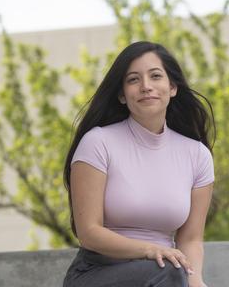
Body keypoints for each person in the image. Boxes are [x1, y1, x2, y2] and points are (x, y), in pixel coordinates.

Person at [62, 41, 215, 287]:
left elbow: (191, 240)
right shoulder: (98, 143)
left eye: (155, 76)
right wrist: (150, 250)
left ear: (172, 87)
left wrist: (196, 283)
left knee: (172, 273)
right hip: (98, 272)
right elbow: (89, 233)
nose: (146, 86)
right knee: (167, 271)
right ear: (122, 95)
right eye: (133, 80)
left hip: (167, 276)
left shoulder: (197, 155)